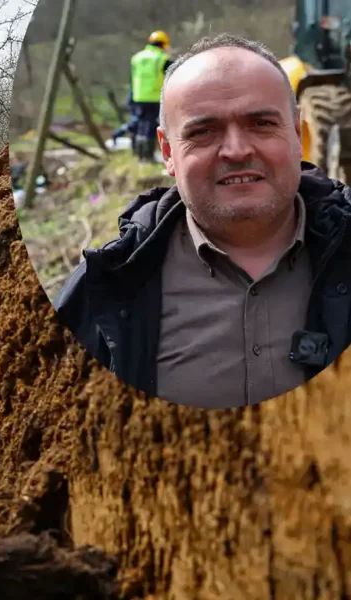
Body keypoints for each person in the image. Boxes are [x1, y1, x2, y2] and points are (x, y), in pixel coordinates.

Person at [54, 34, 351, 409]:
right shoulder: (103, 291)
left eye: (261, 123)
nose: (237, 150)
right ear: (168, 152)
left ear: (296, 132)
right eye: (203, 131)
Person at [112, 30, 173, 160]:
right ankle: (147, 156)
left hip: (138, 97)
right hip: (154, 98)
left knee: (139, 124)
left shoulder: (137, 58)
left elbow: (132, 78)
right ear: (163, 44)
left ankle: (138, 155)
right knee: (150, 126)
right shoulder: (162, 59)